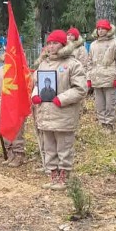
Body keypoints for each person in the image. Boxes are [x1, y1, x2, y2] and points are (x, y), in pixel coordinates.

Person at [31, 30, 87, 190]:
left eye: (54, 43)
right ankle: (53, 176)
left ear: (63, 44)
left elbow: (80, 89)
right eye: (49, 43)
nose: (51, 46)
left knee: (64, 147)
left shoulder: (72, 64)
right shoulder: (43, 64)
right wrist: (35, 95)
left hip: (63, 114)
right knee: (49, 148)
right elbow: (37, 84)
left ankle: (64, 178)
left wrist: (61, 99)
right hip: (45, 113)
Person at [87, 19, 116, 133]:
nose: (100, 31)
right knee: (99, 104)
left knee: (110, 104)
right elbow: (89, 63)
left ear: (108, 29)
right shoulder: (93, 44)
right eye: (98, 28)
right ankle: (102, 123)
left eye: (103, 28)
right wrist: (88, 78)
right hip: (96, 78)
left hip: (110, 78)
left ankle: (110, 125)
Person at [0, 52, 27, 167]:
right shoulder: (0, 70)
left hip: (16, 102)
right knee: (6, 128)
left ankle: (19, 154)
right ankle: (10, 153)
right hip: (3, 102)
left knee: (17, 129)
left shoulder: (20, 69)